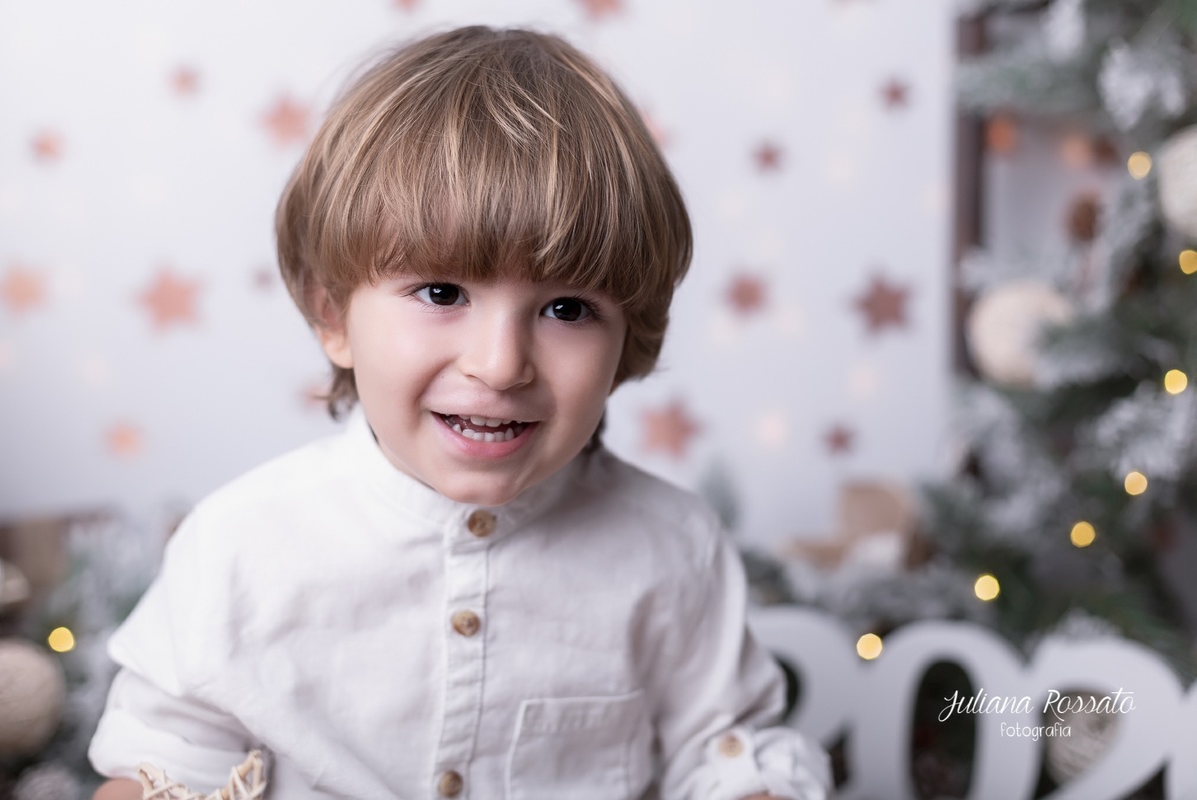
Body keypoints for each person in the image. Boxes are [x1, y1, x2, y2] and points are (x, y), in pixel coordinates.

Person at [88, 25, 831, 800]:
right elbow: (162, 769)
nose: (500, 363)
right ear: (333, 314)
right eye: (442, 293)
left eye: (567, 308)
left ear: (628, 337)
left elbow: (724, 747)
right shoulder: (241, 546)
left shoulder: (671, 549)